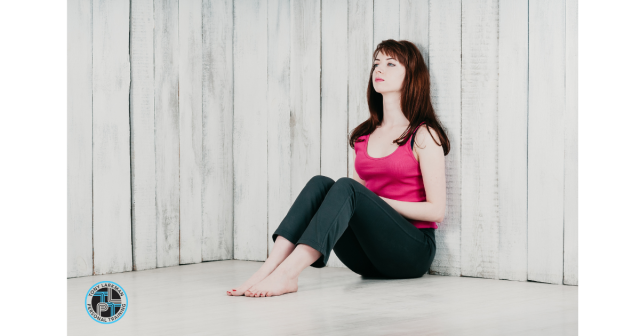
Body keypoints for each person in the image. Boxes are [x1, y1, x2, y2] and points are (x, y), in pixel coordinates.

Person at [227, 39, 450, 298]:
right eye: (376, 63)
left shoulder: (423, 135)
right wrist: (365, 199)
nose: (379, 69)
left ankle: (289, 274)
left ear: (412, 75)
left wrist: (379, 200)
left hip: (412, 254)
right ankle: (268, 268)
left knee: (346, 186)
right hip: (367, 261)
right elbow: (353, 204)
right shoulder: (364, 136)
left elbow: (437, 211)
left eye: (390, 64)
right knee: (321, 184)